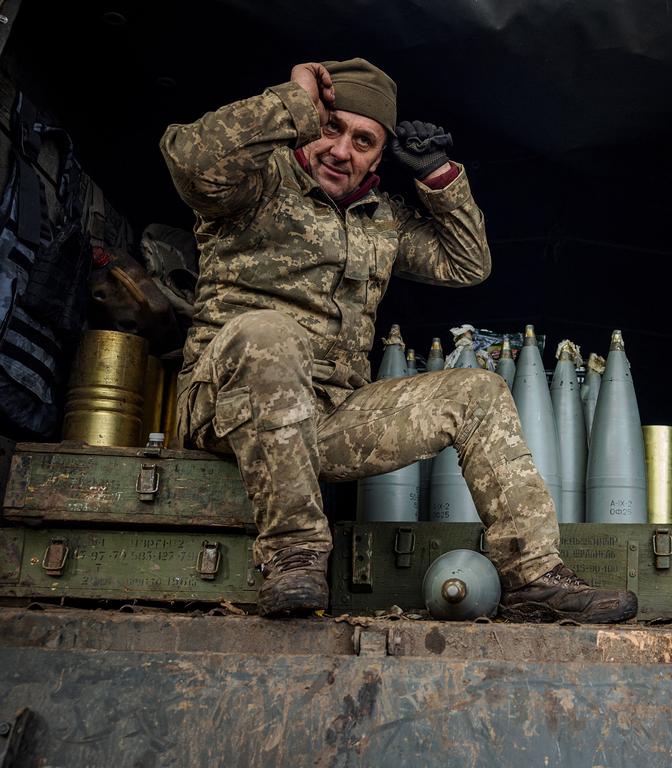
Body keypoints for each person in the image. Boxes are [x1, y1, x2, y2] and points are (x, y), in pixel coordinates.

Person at [160, 58, 637, 623]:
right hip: (223, 405)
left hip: (327, 417)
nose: (342, 151)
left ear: (379, 156)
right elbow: (188, 158)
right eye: (332, 128)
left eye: (364, 141)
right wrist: (291, 101)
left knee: (479, 392)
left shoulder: (379, 219)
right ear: (311, 123)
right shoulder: (252, 183)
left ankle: (534, 576)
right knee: (270, 331)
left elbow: (467, 264)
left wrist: (438, 178)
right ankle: (294, 555)